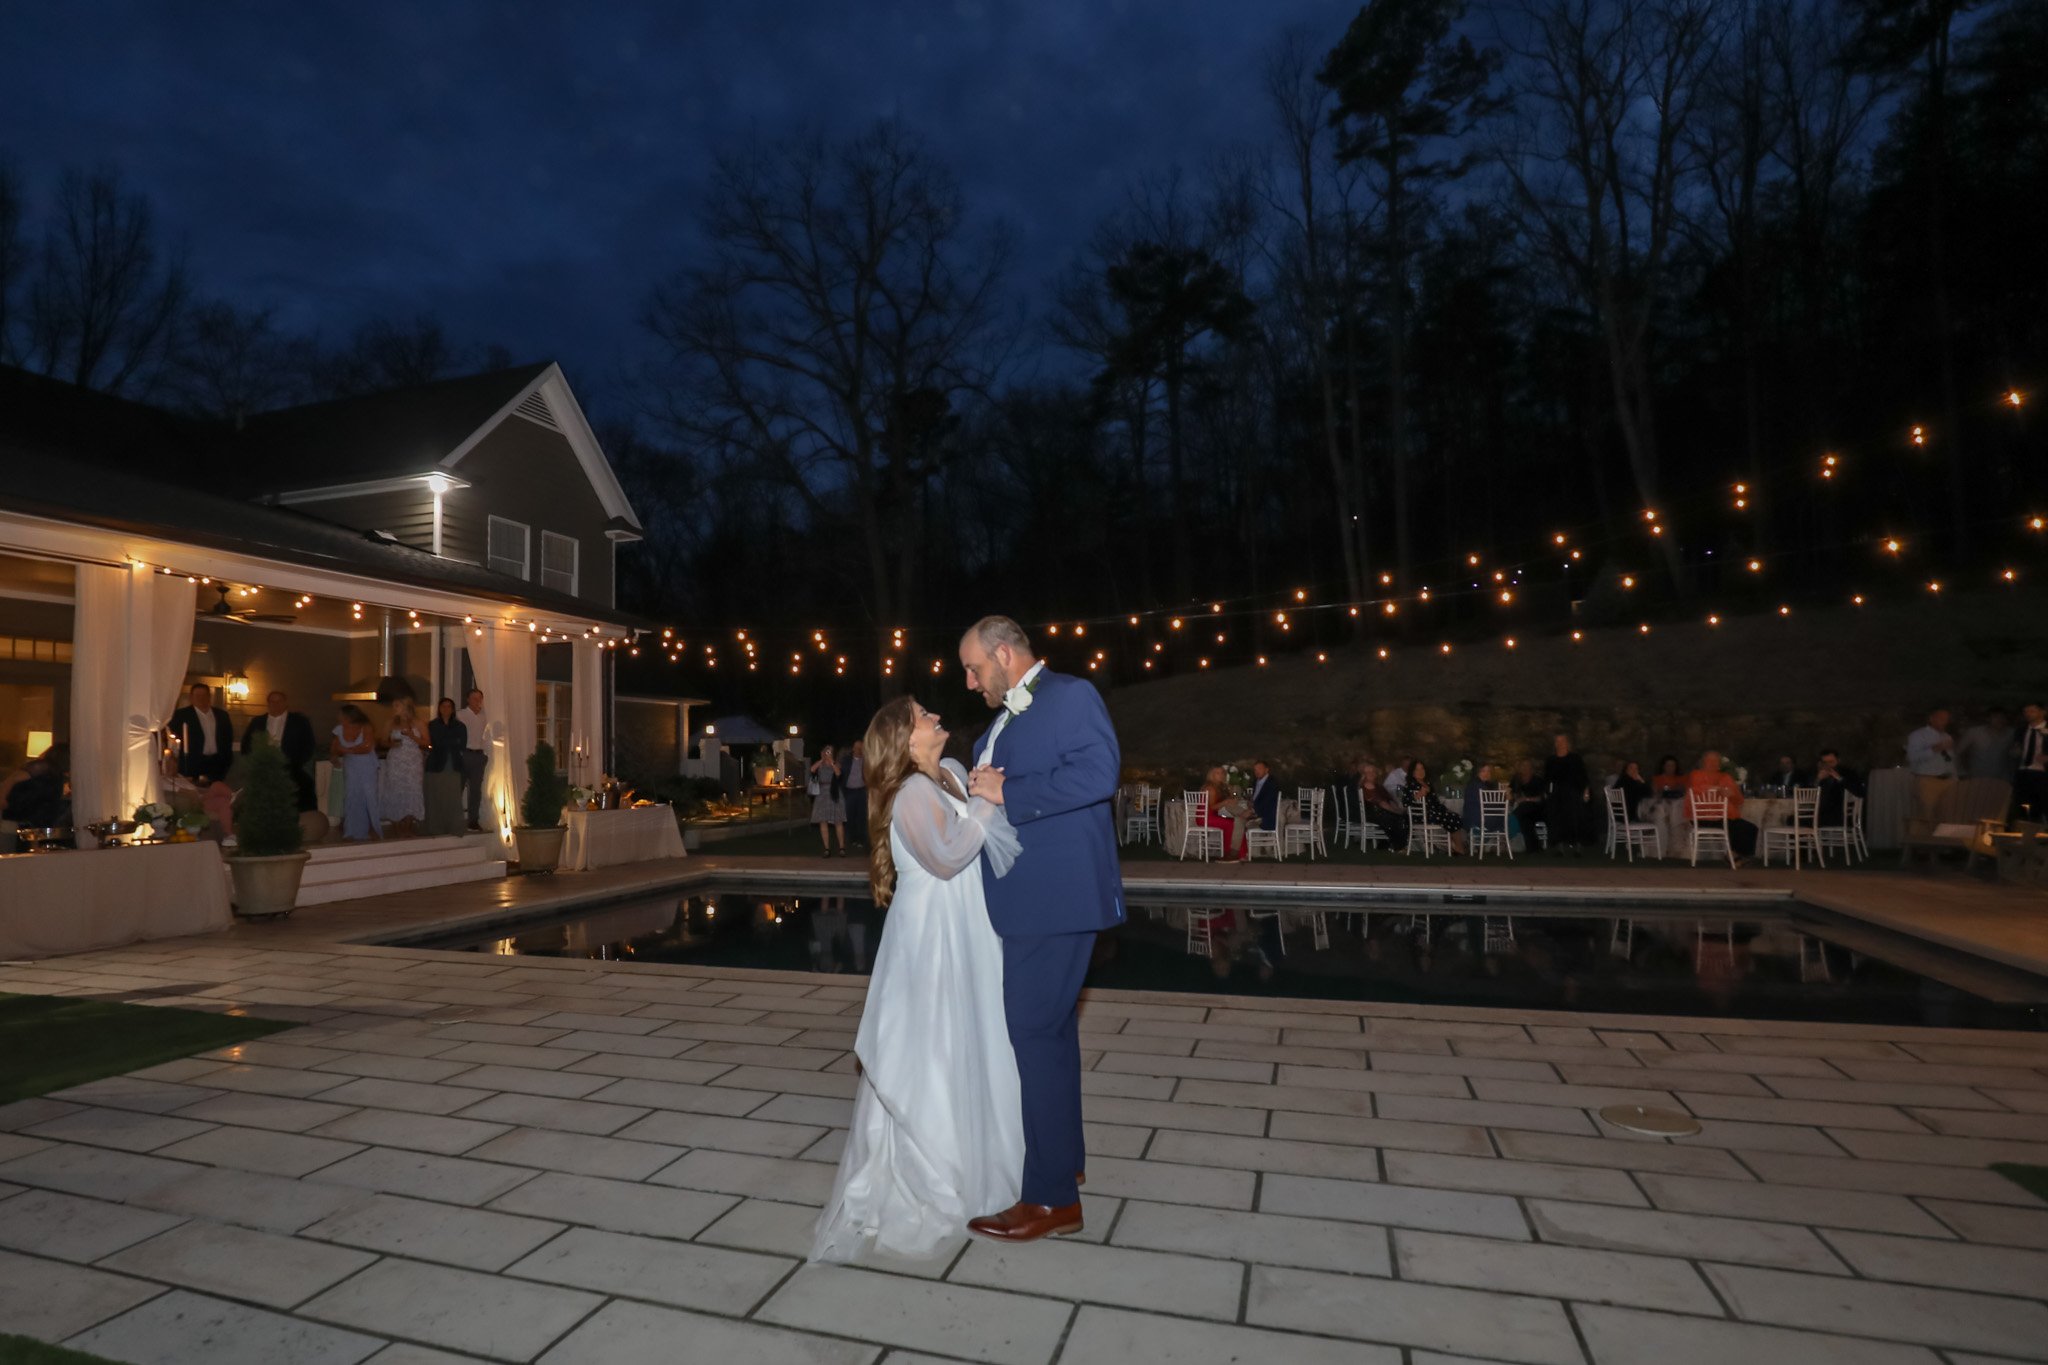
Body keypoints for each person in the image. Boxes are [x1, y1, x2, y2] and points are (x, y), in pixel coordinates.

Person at [811, 697, 1022, 1261]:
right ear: (906, 738)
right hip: (931, 937)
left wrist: (984, 794)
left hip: (966, 927)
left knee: (972, 1039)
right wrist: (984, 804)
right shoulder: (909, 793)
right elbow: (947, 857)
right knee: (932, 1047)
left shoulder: (950, 772)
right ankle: (933, 1174)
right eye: (923, 715)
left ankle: (982, 1156)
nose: (934, 716)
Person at [959, 615, 1123, 1243]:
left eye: (975, 668)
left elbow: (1098, 775)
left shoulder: (1071, 696)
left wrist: (1010, 789)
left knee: (1034, 1035)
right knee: (1050, 1036)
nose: (971, 682)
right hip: (1030, 902)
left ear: (1004, 654)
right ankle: (1066, 1161)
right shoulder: (1005, 719)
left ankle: (1051, 1200)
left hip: (1057, 900)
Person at [240, 690, 317, 811]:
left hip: (291, 768)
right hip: (263, 769)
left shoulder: (299, 721)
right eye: (272, 701)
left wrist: (296, 763)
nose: (275, 704)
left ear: (285, 703)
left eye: (279, 701)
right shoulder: (258, 722)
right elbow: (246, 744)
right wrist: (255, 762)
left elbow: (309, 744)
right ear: (268, 704)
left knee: (302, 792)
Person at [1686, 750, 1758, 857]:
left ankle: (1736, 855)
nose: (1712, 764)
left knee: (1749, 828)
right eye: (1709, 761)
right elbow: (1695, 790)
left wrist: (1731, 794)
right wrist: (1718, 789)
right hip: (1701, 818)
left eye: (1715, 761)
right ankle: (1735, 856)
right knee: (1741, 827)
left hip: (1723, 818)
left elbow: (1739, 800)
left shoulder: (1725, 777)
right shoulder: (1695, 775)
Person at [331, 705, 382, 841]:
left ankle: (375, 829)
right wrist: (335, 756)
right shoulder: (339, 729)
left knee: (369, 796)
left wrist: (348, 750)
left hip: (366, 765)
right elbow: (335, 747)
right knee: (352, 796)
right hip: (351, 766)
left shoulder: (365, 727)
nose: (339, 717)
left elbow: (367, 746)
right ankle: (353, 830)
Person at [379, 697, 428, 837]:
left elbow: (426, 742)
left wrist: (412, 736)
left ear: (406, 707)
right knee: (395, 791)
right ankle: (397, 828)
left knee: (413, 791)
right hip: (396, 761)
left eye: (397, 706)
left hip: (413, 761)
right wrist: (391, 744)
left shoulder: (418, 723)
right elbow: (382, 741)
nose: (394, 709)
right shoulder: (390, 723)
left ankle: (408, 827)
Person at [168, 683, 234, 784]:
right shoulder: (181, 715)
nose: (201, 698)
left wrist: (226, 760)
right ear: (191, 698)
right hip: (192, 764)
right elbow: (173, 738)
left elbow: (228, 738)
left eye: (204, 695)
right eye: (197, 696)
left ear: (209, 697)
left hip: (217, 763)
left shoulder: (222, 715)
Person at [424, 698, 468, 837]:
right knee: (436, 797)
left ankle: (454, 827)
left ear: (453, 709)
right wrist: (451, 741)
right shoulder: (432, 725)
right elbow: (434, 743)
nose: (446, 709)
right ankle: (436, 827)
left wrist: (446, 741)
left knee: (453, 798)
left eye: (449, 706)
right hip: (436, 764)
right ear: (439, 708)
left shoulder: (460, 726)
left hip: (454, 764)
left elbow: (462, 744)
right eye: (443, 706)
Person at [1905, 707, 1956, 824]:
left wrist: (1954, 778)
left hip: (1947, 781)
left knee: (1946, 816)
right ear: (1931, 719)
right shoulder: (1918, 735)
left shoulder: (1947, 737)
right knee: (1927, 816)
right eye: (1941, 718)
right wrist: (1934, 749)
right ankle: (1925, 835)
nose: (1944, 721)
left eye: (1946, 719)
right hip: (1928, 781)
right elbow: (1912, 757)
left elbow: (1949, 760)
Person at [1543, 733, 1593, 851]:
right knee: (1557, 819)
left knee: (1575, 818)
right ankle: (1559, 846)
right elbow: (1547, 778)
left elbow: (1583, 776)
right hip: (1557, 794)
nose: (1560, 744)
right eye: (1557, 741)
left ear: (1567, 743)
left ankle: (1577, 845)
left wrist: (1586, 791)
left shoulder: (1575, 758)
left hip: (1573, 793)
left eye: (1562, 741)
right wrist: (1546, 792)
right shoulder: (1551, 760)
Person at [1404, 759, 1466, 855]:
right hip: (1421, 815)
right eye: (1417, 769)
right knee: (1451, 818)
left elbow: (1435, 802)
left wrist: (1445, 810)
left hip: (1433, 812)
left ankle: (1456, 846)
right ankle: (1457, 848)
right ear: (1412, 772)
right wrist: (1418, 795)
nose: (1420, 771)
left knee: (1454, 816)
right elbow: (1405, 802)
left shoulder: (1428, 784)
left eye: (1422, 769)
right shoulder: (1411, 785)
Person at [456, 689, 489, 831]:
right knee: (458, 788)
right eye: (474, 698)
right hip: (464, 753)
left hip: (478, 755)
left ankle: (473, 820)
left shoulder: (484, 716)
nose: (477, 701)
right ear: (468, 699)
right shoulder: (460, 714)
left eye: (479, 698)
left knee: (475, 790)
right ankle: (454, 819)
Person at [1958, 707, 2019, 783]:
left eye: (2002, 717)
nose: (1999, 720)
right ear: (1988, 719)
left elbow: (2015, 753)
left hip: (2002, 779)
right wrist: (1962, 772)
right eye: (1995, 717)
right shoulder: (1974, 732)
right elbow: (1958, 751)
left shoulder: (2011, 733)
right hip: (1978, 777)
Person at [809, 744, 848, 857]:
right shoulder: (820, 764)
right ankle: (827, 848)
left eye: (830, 751)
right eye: (826, 751)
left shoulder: (836, 763)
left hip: (834, 793)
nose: (828, 753)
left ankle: (842, 847)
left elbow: (838, 773)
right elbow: (812, 769)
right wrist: (822, 759)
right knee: (823, 821)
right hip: (822, 794)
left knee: (838, 821)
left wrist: (831, 762)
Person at [1358, 762, 1409, 848]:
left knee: (1403, 816)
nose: (1371, 773)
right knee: (1400, 818)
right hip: (1376, 814)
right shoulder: (1368, 785)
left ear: (1376, 773)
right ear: (1364, 774)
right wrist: (1397, 811)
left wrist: (1398, 809)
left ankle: (1392, 843)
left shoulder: (1377, 785)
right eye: (1368, 772)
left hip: (1379, 813)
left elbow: (1389, 800)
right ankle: (1398, 844)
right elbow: (1382, 803)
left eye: (1373, 771)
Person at [1812, 748, 1863, 826]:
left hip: (1840, 814)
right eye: (1825, 763)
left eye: (1831, 762)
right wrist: (1818, 779)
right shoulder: (1817, 773)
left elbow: (1859, 791)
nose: (1828, 765)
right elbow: (1809, 794)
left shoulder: (1848, 773)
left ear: (1838, 761)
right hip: (1820, 812)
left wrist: (1839, 778)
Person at [2015, 702, 2048, 820]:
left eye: (2032, 711)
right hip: (2024, 771)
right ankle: (2028, 826)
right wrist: (2015, 752)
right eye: (2026, 711)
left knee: (2043, 804)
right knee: (2025, 806)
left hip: (2043, 772)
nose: (2028, 714)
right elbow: (2017, 747)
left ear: (2042, 712)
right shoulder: (2021, 730)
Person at [1510, 758, 1547, 849]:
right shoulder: (1516, 779)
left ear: (1531, 768)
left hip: (1536, 809)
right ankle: (1533, 847)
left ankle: (1509, 832)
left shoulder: (1537, 780)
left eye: (1527, 766)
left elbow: (1541, 798)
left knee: (1522, 811)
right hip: (1523, 810)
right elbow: (1512, 793)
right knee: (1525, 821)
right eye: (1523, 766)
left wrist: (1526, 799)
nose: (1525, 768)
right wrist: (1515, 797)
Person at [843, 739, 868, 847]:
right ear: (853, 748)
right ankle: (852, 838)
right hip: (850, 791)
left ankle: (861, 839)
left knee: (862, 816)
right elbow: (841, 774)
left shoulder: (866, 760)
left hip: (862, 791)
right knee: (850, 816)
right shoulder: (847, 760)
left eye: (861, 747)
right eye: (857, 747)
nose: (859, 750)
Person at [1249, 759, 1280, 833]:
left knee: (1239, 821)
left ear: (1266, 770)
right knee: (1237, 817)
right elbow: (1256, 798)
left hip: (1266, 817)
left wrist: (1253, 810)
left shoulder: (1271, 783)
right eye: (1255, 770)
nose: (1257, 772)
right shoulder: (1256, 782)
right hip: (1256, 813)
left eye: (1259, 769)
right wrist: (1251, 802)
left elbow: (1268, 801)